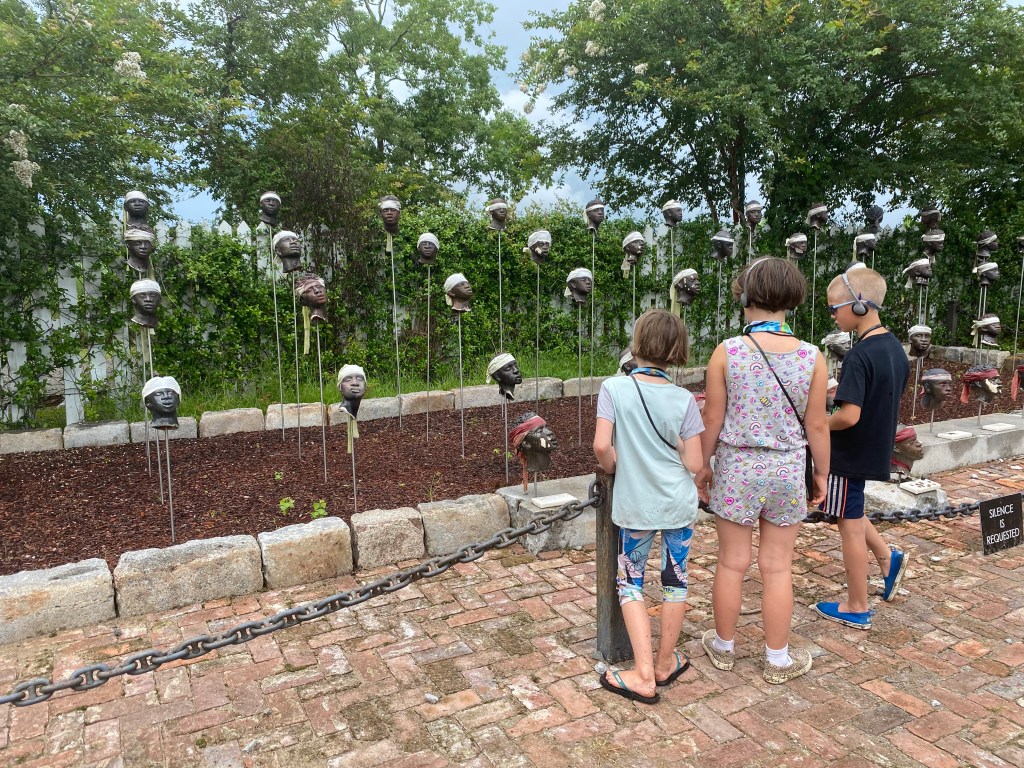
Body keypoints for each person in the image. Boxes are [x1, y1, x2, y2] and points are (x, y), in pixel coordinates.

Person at [696, 258, 828, 684]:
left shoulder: (728, 351)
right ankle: (777, 659)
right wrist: (822, 474)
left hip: (737, 468)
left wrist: (702, 465)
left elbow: (712, 418)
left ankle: (724, 647)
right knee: (777, 566)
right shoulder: (812, 357)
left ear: (747, 298)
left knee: (732, 562)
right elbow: (817, 425)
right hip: (788, 469)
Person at [594, 308, 703, 703]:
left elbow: (602, 446)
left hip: (636, 503)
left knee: (631, 581)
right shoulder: (684, 399)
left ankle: (641, 673)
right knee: (675, 579)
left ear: (637, 343)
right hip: (678, 503)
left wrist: (616, 466)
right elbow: (695, 463)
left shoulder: (613, 388)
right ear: (677, 350)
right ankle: (664, 662)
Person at [813, 266, 910, 630]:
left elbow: (849, 416)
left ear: (858, 305)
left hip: (848, 454)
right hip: (873, 450)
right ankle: (887, 558)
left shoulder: (858, 356)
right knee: (851, 510)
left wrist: (816, 424)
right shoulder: (894, 348)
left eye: (834, 307)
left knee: (848, 523)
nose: (832, 315)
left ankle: (856, 605)